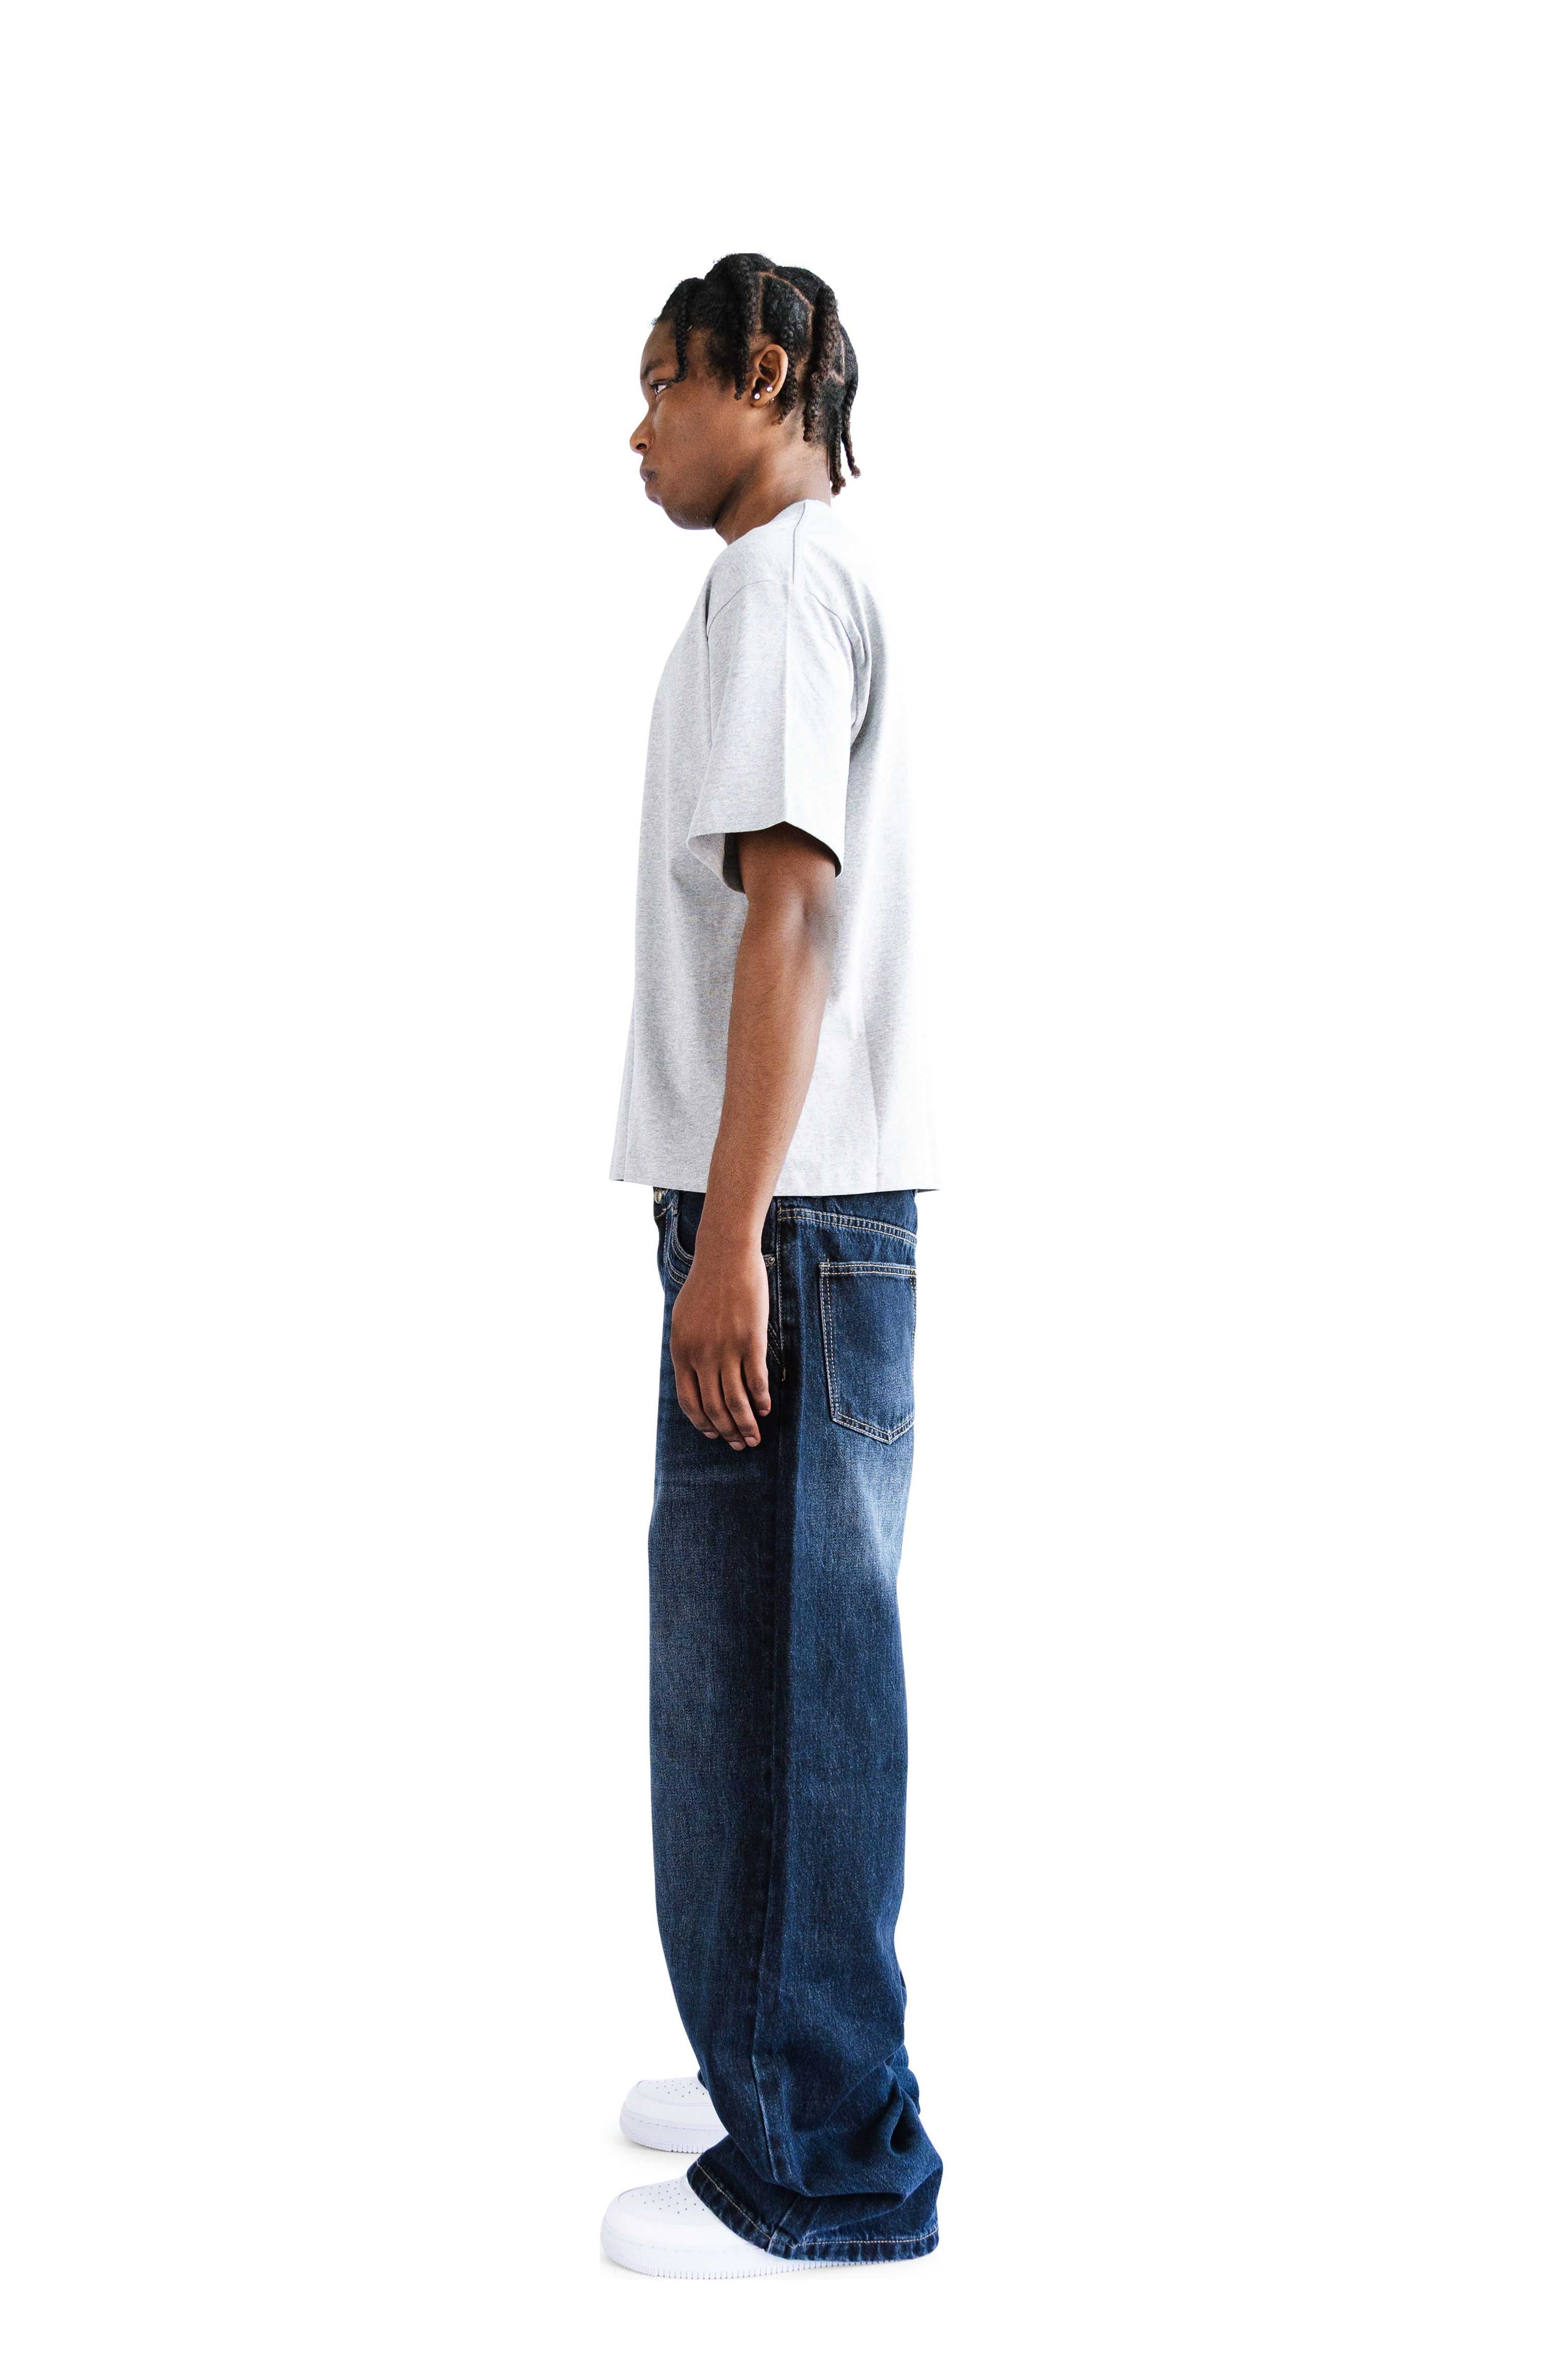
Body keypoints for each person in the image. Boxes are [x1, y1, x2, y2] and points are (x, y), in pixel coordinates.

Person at [601, 254, 944, 2278]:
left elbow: (787, 920)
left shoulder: (786, 581)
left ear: (766, 372)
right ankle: (759, 2086)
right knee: (734, 1679)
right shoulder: (787, 584)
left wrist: (730, 1236)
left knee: (808, 1696)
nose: (637, 425)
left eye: (662, 382)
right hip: (779, 1219)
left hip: (789, 1226)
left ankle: (833, 2173)